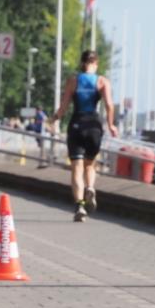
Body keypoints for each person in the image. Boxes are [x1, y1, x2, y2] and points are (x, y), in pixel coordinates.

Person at [52, 50, 118, 222]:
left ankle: (80, 205)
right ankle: (90, 187)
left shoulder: (73, 80)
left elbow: (64, 106)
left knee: (77, 167)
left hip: (76, 125)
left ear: (82, 63)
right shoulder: (102, 81)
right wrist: (111, 125)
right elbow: (110, 105)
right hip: (94, 127)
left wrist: (55, 118)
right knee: (90, 165)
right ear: (95, 64)